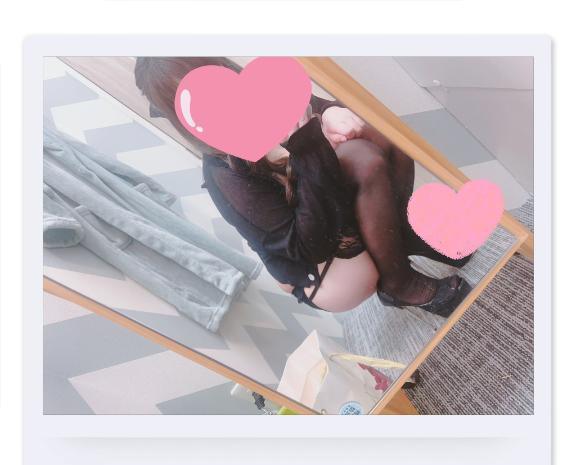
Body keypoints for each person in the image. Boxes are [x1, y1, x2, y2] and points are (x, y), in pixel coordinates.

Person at [134, 57, 471, 317]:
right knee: (361, 159)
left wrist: (331, 114)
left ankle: (402, 236)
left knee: (375, 130)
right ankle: (398, 284)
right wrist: (308, 145)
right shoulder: (224, 174)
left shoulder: (260, 93)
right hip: (325, 268)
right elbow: (310, 245)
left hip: (329, 212)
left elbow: (325, 111)